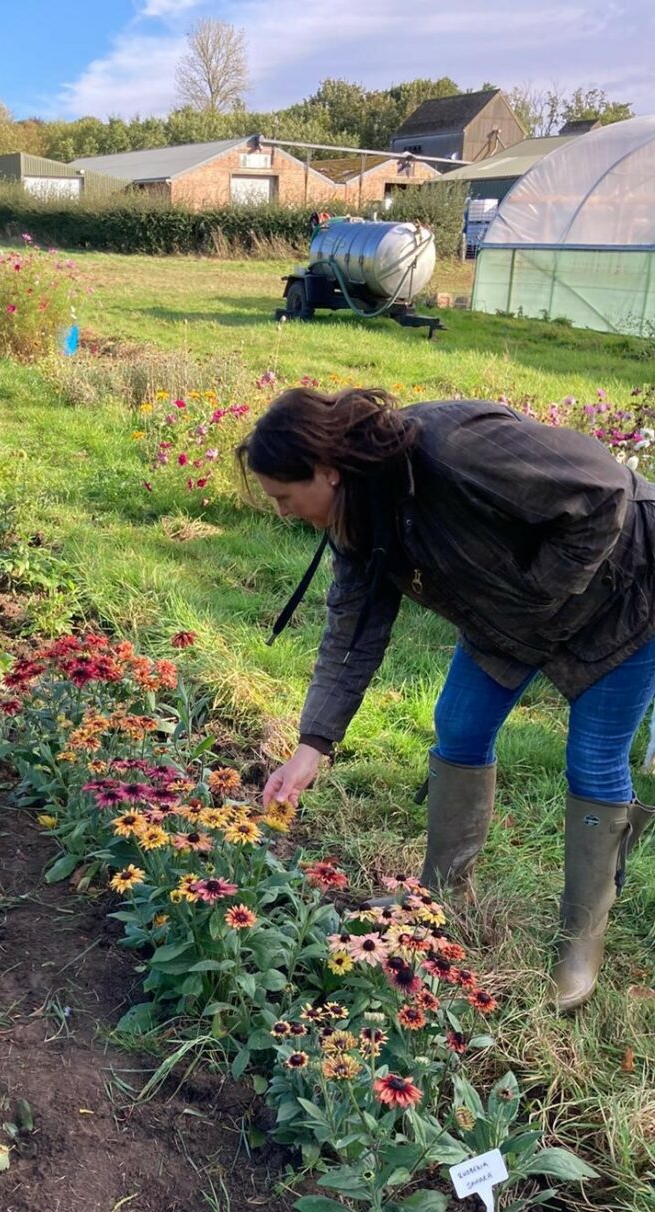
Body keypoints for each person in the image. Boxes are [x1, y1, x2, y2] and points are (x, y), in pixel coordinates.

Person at [237, 387, 655, 1014]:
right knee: (458, 725)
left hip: (622, 589)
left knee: (593, 757)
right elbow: (351, 631)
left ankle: (580, 945)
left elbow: (604, 493)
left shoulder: (452, 447)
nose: (283, 512)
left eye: (284, 498)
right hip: (516, 614)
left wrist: (539, 594)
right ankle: (443, 893)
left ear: (325, 470)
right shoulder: (359, 515)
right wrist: (311, 746)